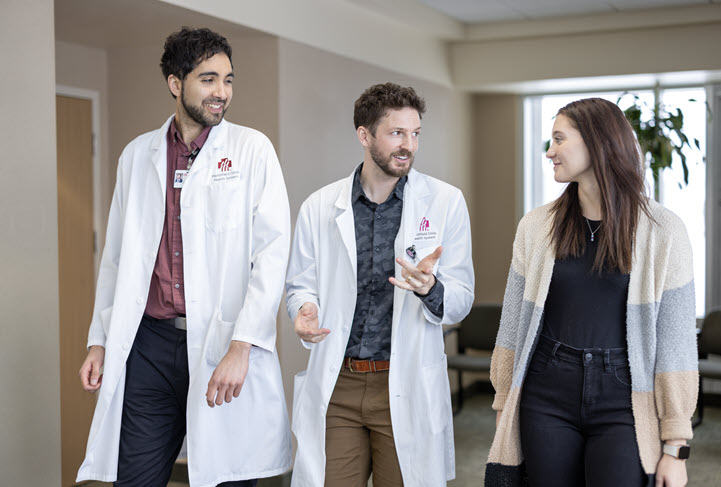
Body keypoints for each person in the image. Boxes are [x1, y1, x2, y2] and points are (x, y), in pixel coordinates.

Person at [76, 27, 292, 487]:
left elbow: (271, 256)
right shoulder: (138, 156)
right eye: (208, 79)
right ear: (176, 84)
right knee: (134, 478)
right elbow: (116, 259)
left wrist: (242, 345)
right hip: (150, 346)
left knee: (228, 476)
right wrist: (100, 340)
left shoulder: (251, 150)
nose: (222, 93)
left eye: (228, 80)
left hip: (222, 343)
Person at [485, 98, 697, 487]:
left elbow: (677, 345)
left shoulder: (664, 231)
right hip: (546, 391)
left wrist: (675, 447)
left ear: (597, 143)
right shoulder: (536, 227)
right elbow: (513, 323)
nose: (550, 151)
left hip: (626, 398)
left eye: (559, 139)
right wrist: (504, 403)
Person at [285, 82, 474, 486]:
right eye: (396, 133)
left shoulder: (445, 202)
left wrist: (430, 288)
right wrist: (303, 310)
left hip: (404, 380)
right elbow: (301, 284)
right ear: (364, 135)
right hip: (341, 384)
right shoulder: (320, 207)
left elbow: (460, 299)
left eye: (415, 133)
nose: (409, 145)